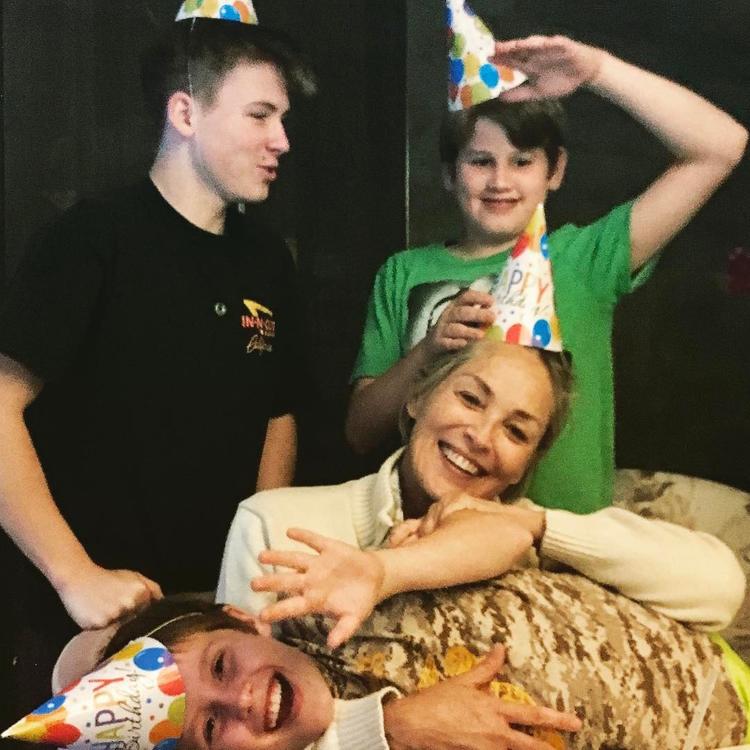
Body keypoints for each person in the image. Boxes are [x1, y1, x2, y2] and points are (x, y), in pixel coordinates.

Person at [0, 0, 311, 714]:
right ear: (185, 113)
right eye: (260, 115)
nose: (282, 140)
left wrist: (253, 573)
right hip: (82, 624)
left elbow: (279, 415)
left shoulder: (267, 260)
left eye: (283, 118)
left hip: (214, 625)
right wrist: (74, 574)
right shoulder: (91, 239)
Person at [346, 32, 748, 514]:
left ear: (554, 171)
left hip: (565, 536)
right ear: (451, 174)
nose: (500, 181)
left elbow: (721, 147)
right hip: (431, 534)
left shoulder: (586, 258)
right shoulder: (404, 273)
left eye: (522, 161)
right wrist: (430, 348)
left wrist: (598, 70)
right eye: (480, 161)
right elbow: (360, 432)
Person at [219, 337, 745, 640]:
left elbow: (719, 587)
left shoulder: (532, 544)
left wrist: (535, 526)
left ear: (525, 465)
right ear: (418, 399)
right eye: (471, 399)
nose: (481, 437)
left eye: (516, 431)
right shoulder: (275, 525)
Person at [7, 577, 749, 750]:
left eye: (223, 667)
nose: (240, 703)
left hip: (711, 659)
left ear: (241, 618)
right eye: (208, 728)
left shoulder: (333, 593)